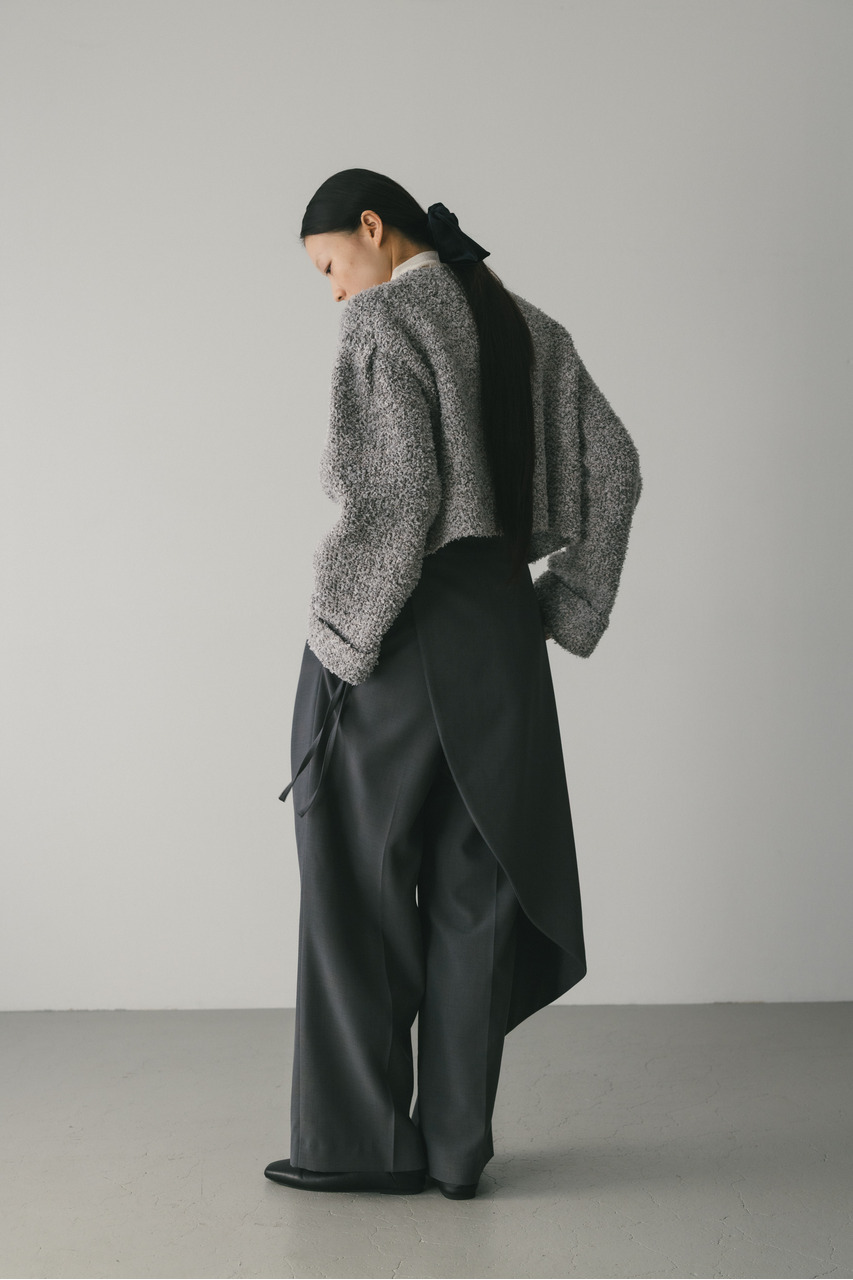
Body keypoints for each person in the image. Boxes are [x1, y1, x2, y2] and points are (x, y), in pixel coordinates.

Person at [264, 168, 642, 1200]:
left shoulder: (385, 321)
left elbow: (395, 501)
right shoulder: (525, 326)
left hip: (402, 631)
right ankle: (454, 1151)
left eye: (330, 266)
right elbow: (614, 467)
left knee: (353, 872)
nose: (335, 291)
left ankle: (362, 1146)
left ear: (373, 229)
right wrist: (564, 606)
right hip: (501, 636)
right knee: (476, 888)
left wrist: (341, 639)